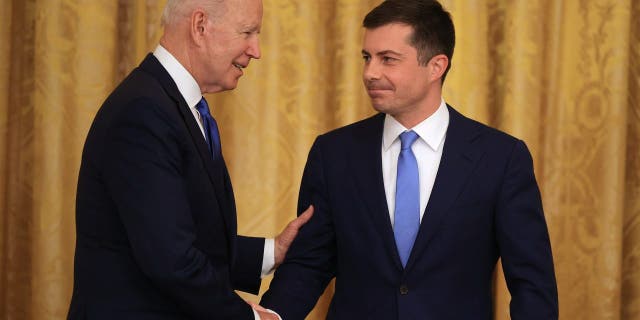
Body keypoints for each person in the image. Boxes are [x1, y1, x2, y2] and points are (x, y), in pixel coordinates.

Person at [261, 0, 558, 319]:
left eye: (388, 59)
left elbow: (532, 286)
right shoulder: (333, 153)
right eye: (367, 57)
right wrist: (269, 315)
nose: (370, 73)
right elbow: (309, 264)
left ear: (436, 66)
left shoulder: (501, 158)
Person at [67, 0, 312, 319]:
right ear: (200, 27)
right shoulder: (144, 112)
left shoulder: (170, 104)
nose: (256, 50)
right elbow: (171, 259)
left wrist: (272, 251)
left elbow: (179, 231)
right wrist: (249, 317)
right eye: (248, 32)